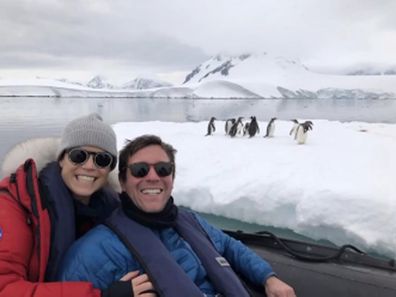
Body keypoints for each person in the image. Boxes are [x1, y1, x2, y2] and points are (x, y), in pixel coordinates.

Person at [58, 134, 296, 297]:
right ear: (122, 180)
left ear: (172, 177)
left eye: (162, 169)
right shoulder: (96, 250)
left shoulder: (190, 222)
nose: (153, 177)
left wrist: (268, 277)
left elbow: (229, 246)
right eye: (140, 170)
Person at [0, 113, 152, 297]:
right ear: (61, 159)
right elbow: (5, 289)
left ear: (109, 169)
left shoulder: (109, 210)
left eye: (102, 159)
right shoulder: (13, 206)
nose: (89, 166)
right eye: (78, 156)